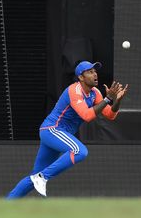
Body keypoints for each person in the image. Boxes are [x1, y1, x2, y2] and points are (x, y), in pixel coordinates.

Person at [7, 60, 128, 199]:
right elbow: (87, 115)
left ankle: (4, 206)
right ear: (81, 77)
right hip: (52, 129)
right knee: (80, 151)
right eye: (90, 72)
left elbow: (110, 115)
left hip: (57, 134)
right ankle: (42, 177)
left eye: (95, 71)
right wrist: (107, 99)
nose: (95, 74)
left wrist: (117, 100)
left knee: (34, 176)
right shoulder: (74, 90)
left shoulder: (95, 93)